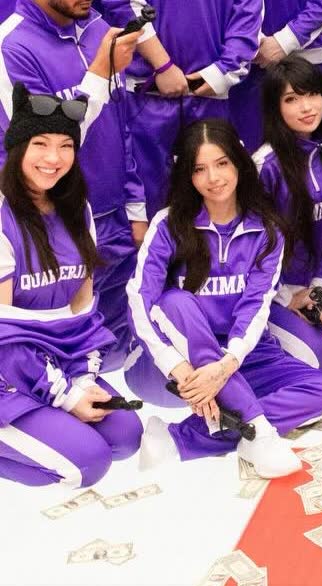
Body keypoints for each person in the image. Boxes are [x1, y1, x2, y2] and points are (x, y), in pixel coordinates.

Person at [124, 118, 322, 479]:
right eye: (199, 169)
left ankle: (179, 437)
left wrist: (225, 366)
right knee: (176, 302)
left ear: (239, 163)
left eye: (222, 163)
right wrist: (180, 368)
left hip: (239, 356)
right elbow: (140, 301)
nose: (213, 178)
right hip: (175, 363)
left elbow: (256, 306)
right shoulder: (168, 224)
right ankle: (259, 433)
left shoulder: (267, 230)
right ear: (188, 176)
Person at [0, 82, 142, 487]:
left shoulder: (77, 208)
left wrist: (82, 377)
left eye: (65, 146)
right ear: (18, 148)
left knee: (125, 436)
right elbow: (5, 337)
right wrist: (65, 396)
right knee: (87, 464)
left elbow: (83, 310)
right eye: (40, 144)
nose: (54, 158)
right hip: (7, 366)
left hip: (54, 361)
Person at [0, 0, 147, 368]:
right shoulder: (10, 46)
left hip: (114, 218)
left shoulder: (98, 27)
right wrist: (99, 74)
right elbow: (38, 143)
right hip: (52, 225)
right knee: (47, 355)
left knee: (110, 359)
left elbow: (121, 123)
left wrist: (135, 204)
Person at [98, 0, 264, 219]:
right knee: (145, 207)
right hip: (146, 97)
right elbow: (122, 4)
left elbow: (248, 13)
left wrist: (221, 73)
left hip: (210, 96)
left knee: (217, 200)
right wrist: (162, 65)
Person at [254, 55, 322, 370]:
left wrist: (318, 287)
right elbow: (250, 248)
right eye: (292, 99)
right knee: (319, 357)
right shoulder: (264, 166)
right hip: (272, 293)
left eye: (312, 94)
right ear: (275, 108)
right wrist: (285, 297)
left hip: (313, 286)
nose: (306, 107)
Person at [229, 0, 322, 153]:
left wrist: (286, 40)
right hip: (242, 62)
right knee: (251, 152)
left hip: (306, 55)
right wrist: (247, 38)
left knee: (317, 150)